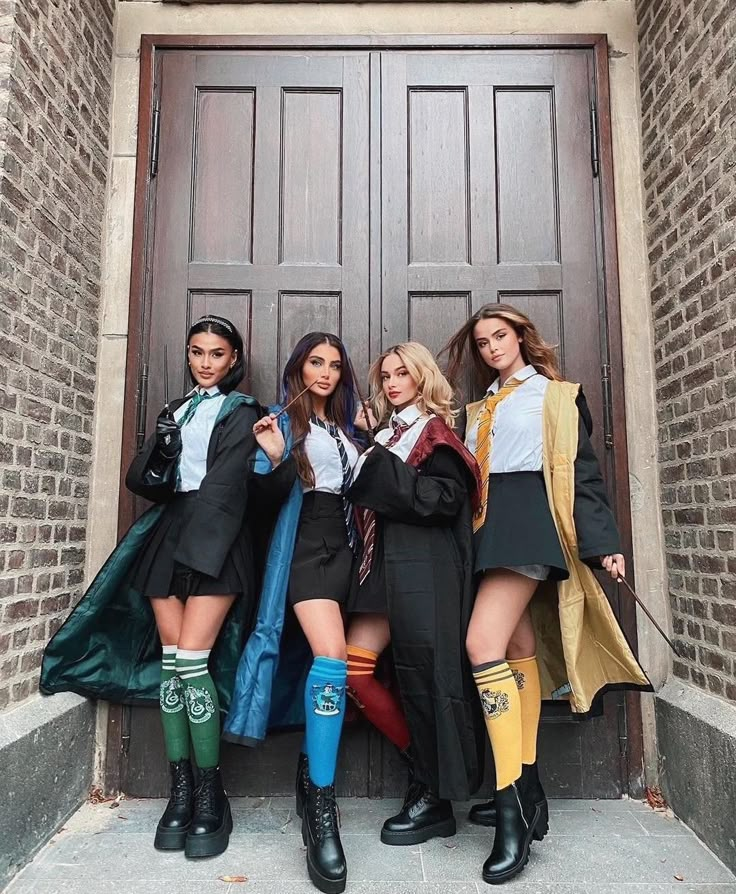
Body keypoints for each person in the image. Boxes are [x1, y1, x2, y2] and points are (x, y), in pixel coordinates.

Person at [40, 315, 293, 859]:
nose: (205, 362)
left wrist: (274, 459)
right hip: (170, 532)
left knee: (195, 664)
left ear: (234, 360)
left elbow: (251, 494)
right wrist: (164, 446)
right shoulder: (175, 411)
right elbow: (143, 480)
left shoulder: (243, 411)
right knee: (176, 664)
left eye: (217, 354)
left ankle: (210, 794)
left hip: (218, 538)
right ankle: (180, 792)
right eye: (197, 352)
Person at [444, 304, 651, 884]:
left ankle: (511, 808)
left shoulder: (554, 396)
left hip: (528, 523)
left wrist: (603, 541)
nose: (491, 348)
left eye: (499, 336)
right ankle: (529, 792)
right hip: (485, 527)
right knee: (513, 648)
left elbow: (582, 472)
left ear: (520, 337)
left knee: (480, 644)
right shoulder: (479, 407)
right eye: (482, 342)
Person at [224, 332, 363, 894]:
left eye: (334, 365)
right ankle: (324, 814)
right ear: (297, 368)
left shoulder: (348, 429)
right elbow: (255, 501)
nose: (325, 373)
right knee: (331, 659)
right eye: (315, 363)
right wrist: (278, 461)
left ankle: (310, 780)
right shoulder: (280, 424)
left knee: (340, 663)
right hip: (304, 548)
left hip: (348, 551)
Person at [345, 342, 485, 846]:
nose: (392, 383)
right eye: (386, 376)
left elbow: (445, 501)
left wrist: (381, 461)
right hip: (384, 570)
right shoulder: (391, 434)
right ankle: (423, 770)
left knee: (430, 677)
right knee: (355, 669)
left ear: (423, 378)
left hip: (424, 571)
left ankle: (435, 797)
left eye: (402, 374)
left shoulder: (434, 435)